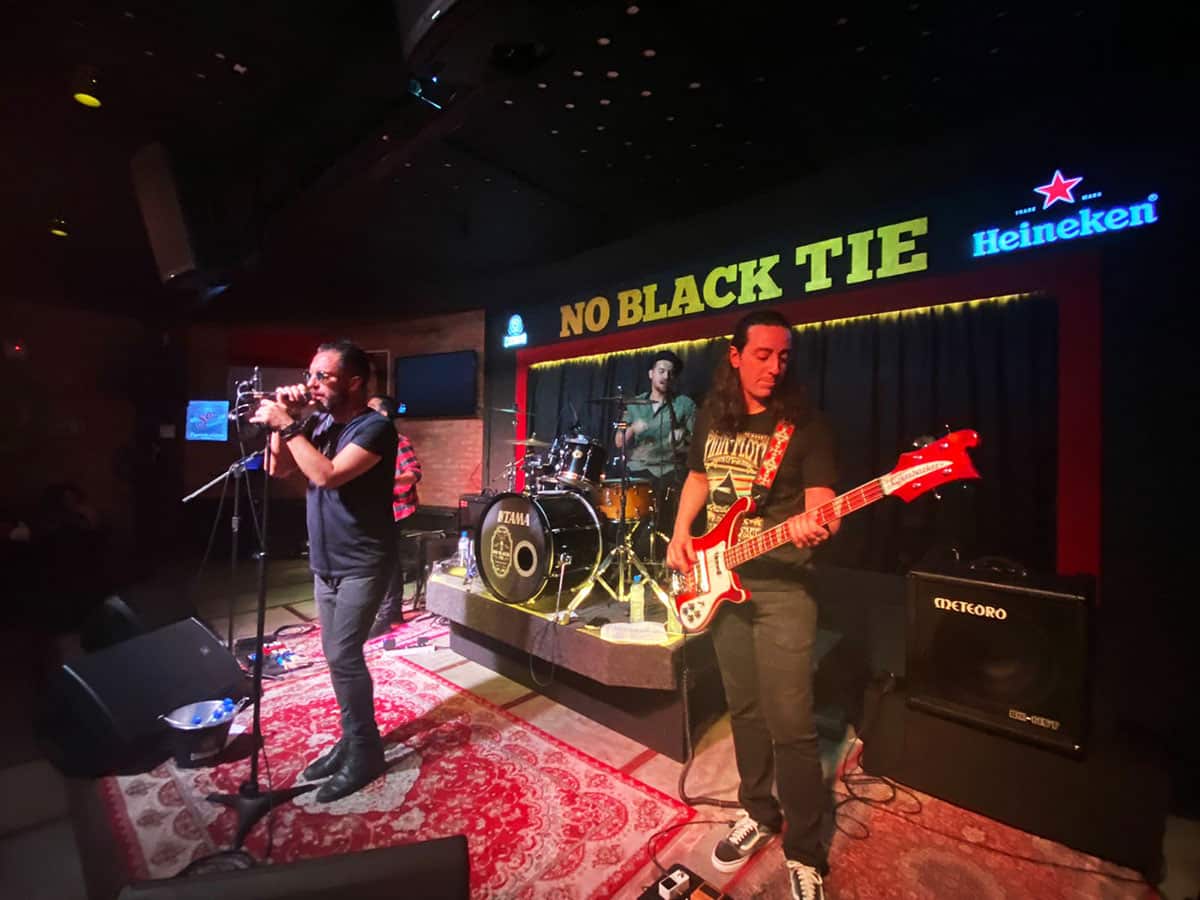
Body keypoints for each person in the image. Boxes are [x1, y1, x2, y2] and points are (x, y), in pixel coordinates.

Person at [666, 310, 840, 900]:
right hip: (722, 582)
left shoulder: (806, 425)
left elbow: (823, 505)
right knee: (744, 709)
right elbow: (699, 477)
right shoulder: (713, 415)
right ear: (735, 356)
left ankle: (806, 851)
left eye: (783, 356)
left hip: (784, 590)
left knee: (792, 723)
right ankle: (759, 812)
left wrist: (818, 524)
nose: (774, 367)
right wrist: (681, 532)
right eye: (762, 355)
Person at [251, 339, 397, 803]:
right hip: (325, 562)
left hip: (362, 562)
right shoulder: (316, 423)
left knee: (343, 655)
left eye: (322, 376)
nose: (311, 383)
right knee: (337, 656)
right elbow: (277, 470)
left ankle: (366, 751)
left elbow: (327, 475)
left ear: (353, 382)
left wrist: (289, 424)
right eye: (309, 375)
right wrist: (285, 423)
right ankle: (353, 739)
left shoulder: (375, 428)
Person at [613, 349, 696, 557]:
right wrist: (633, 429)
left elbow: (699, 444)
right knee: (632, 515)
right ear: (651, 374)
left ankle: (665, 558)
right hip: (639, 469)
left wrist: (683, 440)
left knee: (669, 511)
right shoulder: (634, 405)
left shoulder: (684, 405)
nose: (665, 376)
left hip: (670, 470)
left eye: (670, 373)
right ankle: (634, 558)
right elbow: (618, 441)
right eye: (661, 371)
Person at [365, 394, 422, 639]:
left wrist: (386, 482)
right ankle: (390, 611)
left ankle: (388, 614)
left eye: (371, 408)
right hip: (373, 508)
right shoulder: (366, 441)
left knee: (386, 561)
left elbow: (414, 473)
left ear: (384, 415)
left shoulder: (398, 441)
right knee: (380, 560)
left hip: (396, 508)